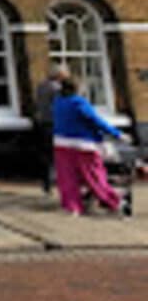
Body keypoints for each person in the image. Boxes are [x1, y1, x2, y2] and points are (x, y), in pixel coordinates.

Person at [53, 76, 131, 216]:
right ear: (77, 88)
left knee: (67, 178)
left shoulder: (58, 102)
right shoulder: (79, 103)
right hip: (84, 145)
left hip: (61, 144)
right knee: (94, 176)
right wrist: (118, 134)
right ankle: (114, 202)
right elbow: (96, 121)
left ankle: (73, 207)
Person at [35, 64, 67, 193]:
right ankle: (60, 180)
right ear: (59, 75)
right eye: (65, 73)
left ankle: (46, 182)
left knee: (45, 154)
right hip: (54, 123)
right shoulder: (57, 88)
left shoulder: (41, 86)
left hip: (42, 122)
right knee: (58, 154)